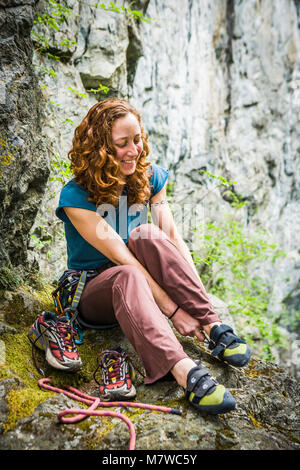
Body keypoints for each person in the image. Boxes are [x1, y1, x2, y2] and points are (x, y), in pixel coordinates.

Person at [29, 98, 250, 416]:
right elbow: (124, 261)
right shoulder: (75, 197)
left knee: (146, 234)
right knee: (129, 273)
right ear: (101, 148)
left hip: (139, 276)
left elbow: (173, 240)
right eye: (122, 144)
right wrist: (174, 313)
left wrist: (199, 310)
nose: (134, 150)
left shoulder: (148, 178)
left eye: (137, 140)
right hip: (95, 292)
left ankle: (215, 327)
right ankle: (185, 372)